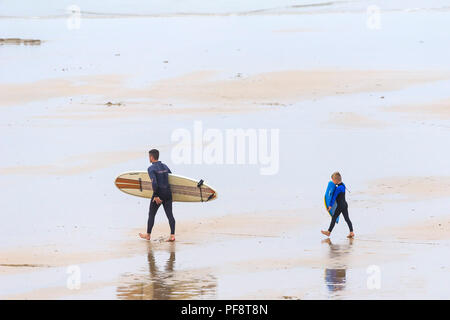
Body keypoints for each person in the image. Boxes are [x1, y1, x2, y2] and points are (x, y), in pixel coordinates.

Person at [139, 149, 176, 242]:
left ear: (151, 157)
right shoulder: (165, 166)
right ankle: (172, 235)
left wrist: (155, 196)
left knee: (151, 214)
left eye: (149, 157)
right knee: (170, 215)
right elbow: (172, 178)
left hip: (158, 194)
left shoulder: (151, 168)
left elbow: (154, 183)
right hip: (168, 193)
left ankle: (148, 235)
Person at [321, 172, 354, 238]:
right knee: (347, 219)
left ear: (336, 180)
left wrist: (330, 206)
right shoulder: (343, 185)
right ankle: (351, 232)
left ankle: (328, 232)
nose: (332, 181)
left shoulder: (338, 188)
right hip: (345, 204)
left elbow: (333, 197)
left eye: (333, 180)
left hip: (340, 206)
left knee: (334, 217)